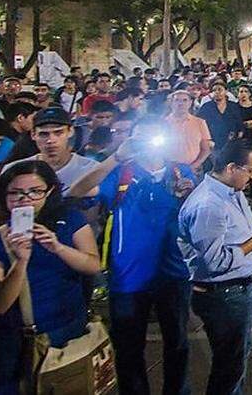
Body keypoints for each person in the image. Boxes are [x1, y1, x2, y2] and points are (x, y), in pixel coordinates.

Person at [69, 118, 197, 395]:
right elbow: (77, 192)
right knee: (128, 347)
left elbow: (197, 218)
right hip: (128, 276)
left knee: (177, 342)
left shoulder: (181, 172)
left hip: (173, 272)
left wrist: (187, 195)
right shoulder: (121, 174)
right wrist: (116, 158)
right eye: (139, 138)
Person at [0, 161, 101, 394]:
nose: (25, 199)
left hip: (68, 333)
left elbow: (92, 265)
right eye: (15, 193)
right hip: (13, 344)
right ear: (3, 195)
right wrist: (20, 262)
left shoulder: (70, 221)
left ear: (49, 191)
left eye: (35, 191)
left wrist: (58, 247)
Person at [178, 141, 252, 395]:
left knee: (235, 358)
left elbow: (237, 231)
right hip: (223, 294)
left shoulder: (230, 191)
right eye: (250, 171)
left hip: (237, 290)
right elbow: (213, 261)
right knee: (229, 364)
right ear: (231, 168)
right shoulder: (209, 205)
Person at [166, 90, 213, 172]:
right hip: (168, 169)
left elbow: (206, 149)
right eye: (177, 100)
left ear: (190, 103)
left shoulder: (200, 123)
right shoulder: (163, 123)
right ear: (171, 102)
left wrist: (194, 166)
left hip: (194, 169)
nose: (181, 103)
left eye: (185, 100)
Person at [197, 81, 245, 152]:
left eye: (219, 89)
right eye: (214, 90)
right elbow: (199, 124)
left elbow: (239, 124)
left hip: (231, 143)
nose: (217, 92)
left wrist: (238, 139)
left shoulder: (233, 106)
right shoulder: (206, 107)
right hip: (211, 144)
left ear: (226, 91)